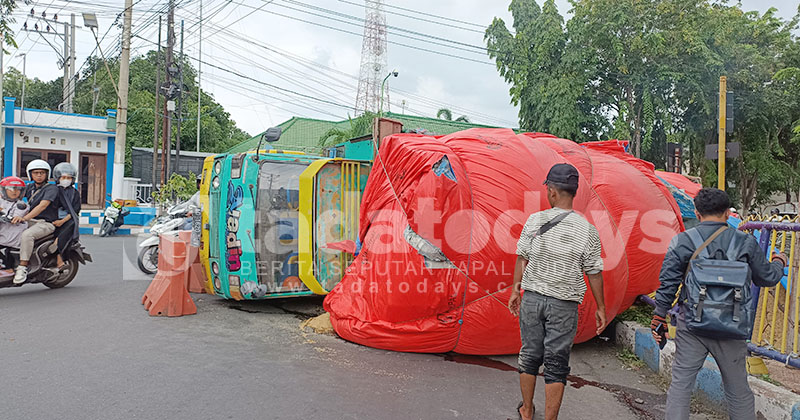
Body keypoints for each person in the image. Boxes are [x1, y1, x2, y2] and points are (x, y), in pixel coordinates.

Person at [651, 188, 787, 420]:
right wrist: (778, 261)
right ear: (727, 213)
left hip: (692, 324)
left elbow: (668, 283)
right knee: (738, 391)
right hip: (732, 326)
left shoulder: (683, 241)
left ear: (697, 212)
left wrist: (659, 316)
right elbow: (767, 277)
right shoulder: (746, 242)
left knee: (681, 386)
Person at [508, 163, 606, 420]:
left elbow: (522, 257)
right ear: (573, 193)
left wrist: (516, 291)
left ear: (551, 191)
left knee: (529, 354)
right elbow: (594, 272)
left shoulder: (534, 220)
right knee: (556, 363)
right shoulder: (587, 230)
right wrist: (602, 308)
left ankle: (527, 411)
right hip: (564, 305)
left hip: (532, 299)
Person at [12, 159, 60, 284]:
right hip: (31, 220)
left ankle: (22, 267)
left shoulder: (51, 189)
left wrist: (24, 218)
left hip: (45, 223)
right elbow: (14, 199)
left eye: (42, 173)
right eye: (36, 173)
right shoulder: (29, 187)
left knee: (27, 235)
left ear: (47, 174)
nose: (39, 175)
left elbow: (42, 206)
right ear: (30, 174)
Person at [50, 162, 81, 272]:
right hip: (51, 218)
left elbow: (76, 210)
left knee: (70, 226)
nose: (66, 179)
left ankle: (58, 253)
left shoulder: (74, 193)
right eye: (63, 177)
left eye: (69, 177)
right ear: (58, 178)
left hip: (67, 219)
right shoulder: (51, 190)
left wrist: (62, 221)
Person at [0, 176, 30, 249]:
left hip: (11, 241)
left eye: (18, 189)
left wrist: (3, 215)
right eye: (10, 189)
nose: (14, 191)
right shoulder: (1, 201)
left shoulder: (22, 205)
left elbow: (15, 218)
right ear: (4, 190)